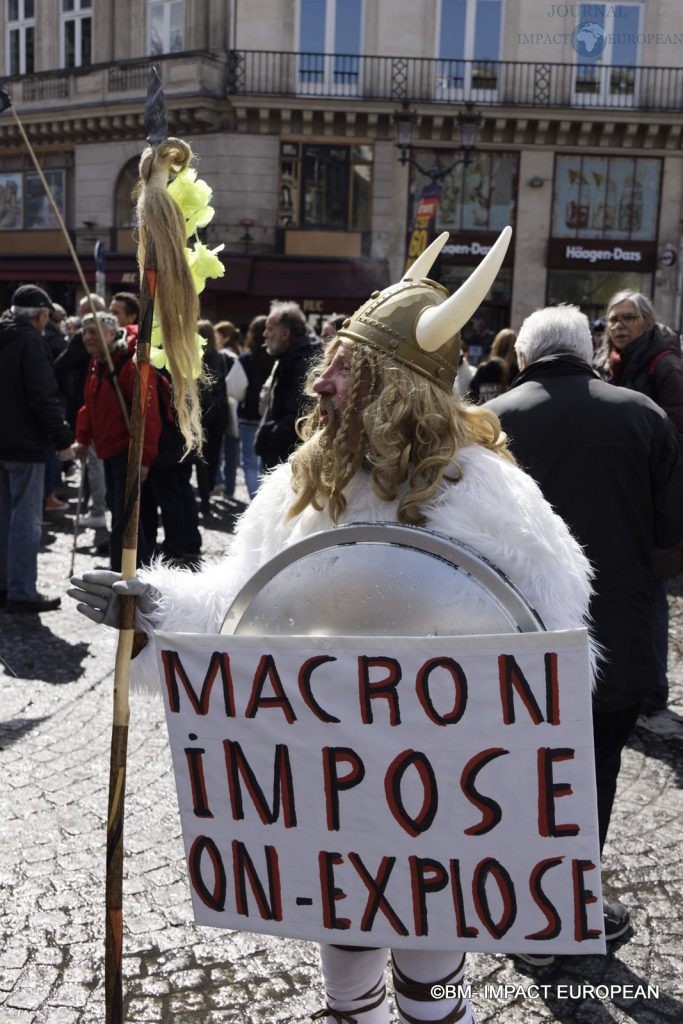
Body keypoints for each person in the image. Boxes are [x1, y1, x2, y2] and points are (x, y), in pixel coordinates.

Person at [70, 230, 596, 1024]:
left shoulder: (493, 497)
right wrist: (150, 617)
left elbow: (551, 657)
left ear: (398, 389)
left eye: (348, 368)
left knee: (432, 953)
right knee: (344, 950)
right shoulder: (297, 486)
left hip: (444, 787)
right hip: (328, 782)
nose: (323, 383)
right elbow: (237, 608)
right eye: (330, 362)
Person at [486, 304, 683, 964]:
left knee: (514, 770)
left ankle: (521, 906)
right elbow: (670, 541)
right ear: (589, 349)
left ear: (524, 357)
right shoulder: (643, 415)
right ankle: (569, 897)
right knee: (594, 767)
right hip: (615, 634)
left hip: (515, 635)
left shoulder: (490, 423)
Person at [606, 290, 683, 715]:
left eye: (628, 318)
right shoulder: (614, 364)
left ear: (647, 323)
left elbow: (676, 431)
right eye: (613, 319)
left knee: (653, 595)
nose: (618, 325)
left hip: (656, 496)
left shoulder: (663, 363)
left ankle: (654, 689)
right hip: (628, 493)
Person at [0, 284, 73, 612]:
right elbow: (43, 396)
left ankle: (6, 586)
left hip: (5, 443)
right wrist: (62, 439)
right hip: (24, 444)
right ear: (41, 316)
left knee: (5, 518)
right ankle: (20, 591)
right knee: (26, 520)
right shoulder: (31, 342)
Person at [73, 311, 161, 571]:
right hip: (107, 450)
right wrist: (83, 439)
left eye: (93, 331)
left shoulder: (127, 363)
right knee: (120, 515)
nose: (87, 337)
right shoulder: (97, 362)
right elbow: (90, 405)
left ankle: (129, 573)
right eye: (85, 332)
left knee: (126, 520)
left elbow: (148, 414)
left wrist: (144, 459)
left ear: (111, 333)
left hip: (128, 452)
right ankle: (121, 571)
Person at [254, 300, 322, 471]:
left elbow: (298, 415)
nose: (265, 334)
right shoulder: (289, 357)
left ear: (285, 333)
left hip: (287, 459)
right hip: (282, 455)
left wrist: (271, 438)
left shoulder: (303, 361)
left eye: (270, 329)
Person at [237, 314, 273, 499]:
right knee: (267, 464)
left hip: (249, 416)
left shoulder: (246, 359)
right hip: (270, 417)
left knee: (250, 463)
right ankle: (264, 502)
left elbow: (235, 390)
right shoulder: (278, 357)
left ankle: (255, 502)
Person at [467, 328, 518, 403]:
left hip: (484, 413)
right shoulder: (516, 373)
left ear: (496, 345)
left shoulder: (483, 370)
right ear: (515, 349)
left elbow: (471, 397)